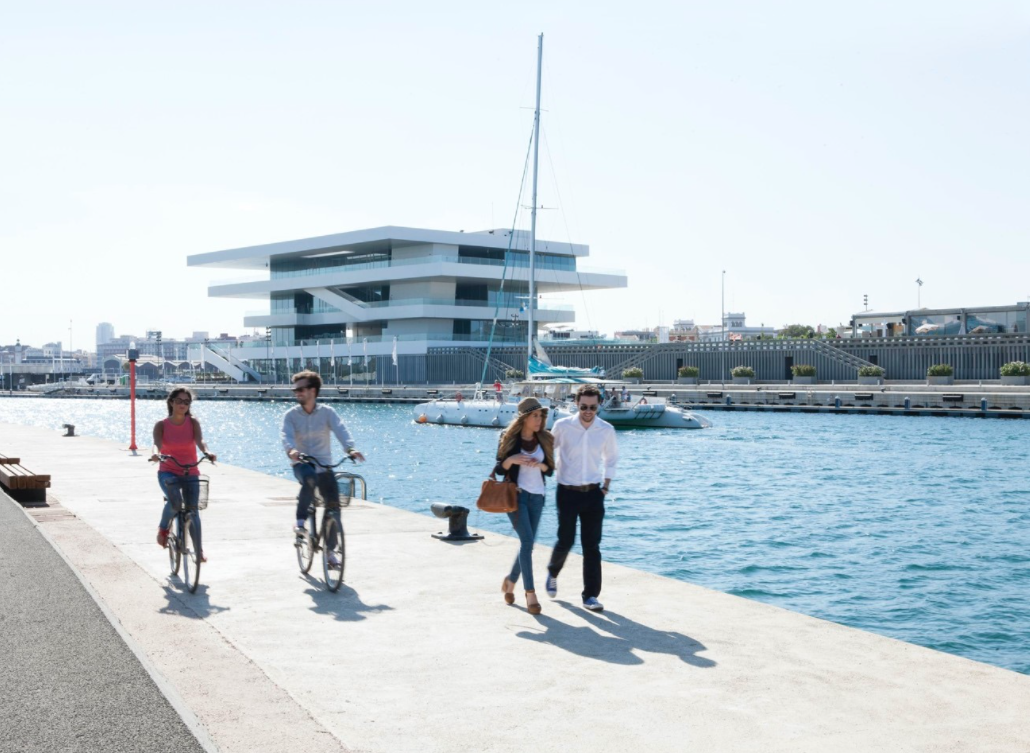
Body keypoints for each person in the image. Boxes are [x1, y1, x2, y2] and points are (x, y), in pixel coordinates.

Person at [545, 384, 619, 612]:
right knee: (565, 540)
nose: (588, 411)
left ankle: (590, 596)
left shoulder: (606, 429)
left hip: (594, 493)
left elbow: (611, 459)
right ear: (576, 403)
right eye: (584, 406)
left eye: (593, 407)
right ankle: (553, 573)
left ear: (599, 405)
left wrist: (605, 487)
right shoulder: (562, 426)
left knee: (592, 546)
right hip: (567, 492)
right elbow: (547, 450)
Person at [281, 370, 365, 567]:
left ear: (313, 391)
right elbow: (286, 436)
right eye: (295, 390)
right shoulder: (291, 415)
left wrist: (350, 449)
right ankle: (300, 522)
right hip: (302, 463)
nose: (297, 393)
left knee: (334, 506)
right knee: (309, 477)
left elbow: (341, 430)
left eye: (300, 389)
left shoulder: (327, 413)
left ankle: (329, 552)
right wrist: (291, 450)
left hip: (324, 465)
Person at [495, 397, 554, 615]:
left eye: (541, 416)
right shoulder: (509, 438)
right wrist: (512, 460)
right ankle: (530, 594)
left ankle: (510, 582)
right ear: (524, 418)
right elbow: (499, 469)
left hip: (538, 497)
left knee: (527, 544)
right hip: (516, 497)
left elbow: (550, 470)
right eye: (535, 416)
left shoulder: (545, 438)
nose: (539, 420)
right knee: (527, 542)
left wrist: (540, 465)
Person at [151, 387, 216, 561]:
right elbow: (156, 444)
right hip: (168, 471)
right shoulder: (161, 425)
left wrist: (207, 452)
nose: (183, 405)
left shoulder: (193, 422)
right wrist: (156, 454)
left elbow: (200, 441)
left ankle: (198, 551)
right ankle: (163, 528)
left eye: (186, 402)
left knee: (193, 511)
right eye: (179, 401)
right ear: (171, 402)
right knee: (176, 501)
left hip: (190, 471)